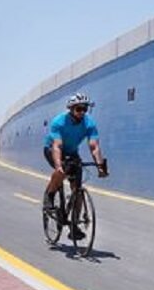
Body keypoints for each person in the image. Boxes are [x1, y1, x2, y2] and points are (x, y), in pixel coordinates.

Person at [43, 93, 108, 239]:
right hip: (52, 149)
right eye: (79, 109)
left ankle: (74, 226)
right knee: (61, 171)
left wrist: (100, 165)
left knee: (77, 190)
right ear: (71, 109)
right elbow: (57, 146)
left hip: (72, 153)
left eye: (85, 109)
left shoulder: (89, 123)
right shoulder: (59, 122)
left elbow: (94, 146)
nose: (82, 112)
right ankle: (50, 194)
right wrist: (59, 165)